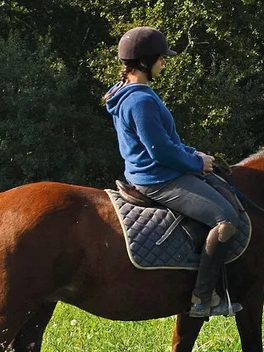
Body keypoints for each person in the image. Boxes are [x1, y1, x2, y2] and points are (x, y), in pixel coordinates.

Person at [103, 26, 242, 318]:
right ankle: (204, 298)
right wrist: (195, 164)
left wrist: (197, 155)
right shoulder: (140, 100)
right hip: (159, 179)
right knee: (226, 218)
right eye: (161, 59)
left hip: (153, 172)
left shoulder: (125, 93)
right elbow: (162, 152)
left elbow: (168, 142)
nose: (164, 63)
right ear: (144, 62)